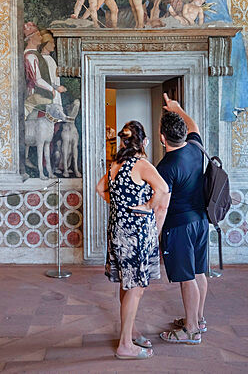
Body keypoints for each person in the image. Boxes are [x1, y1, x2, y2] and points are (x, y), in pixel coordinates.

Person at [97, 121, 170, 360]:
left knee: (126, 284)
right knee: (136, 287)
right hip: (136, 233)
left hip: (117, 229)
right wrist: (148, 206)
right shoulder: (141, 164)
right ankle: (125, 345)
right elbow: (164, 188)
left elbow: (100, 189)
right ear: (144, 141)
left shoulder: (115, 164)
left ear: (124, 142)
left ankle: (131, 331)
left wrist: (120, 207)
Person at [157, 94, 209, 346]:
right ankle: (197, 319)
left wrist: (155, 232)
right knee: (199, 272)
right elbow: (194, 127)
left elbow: (162, 203)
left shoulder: (165, 166)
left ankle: (190, 330)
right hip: (201, 221)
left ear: (162, 138)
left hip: (179, 226)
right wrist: (178, 108)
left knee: (187, 277)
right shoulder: (195, 148)